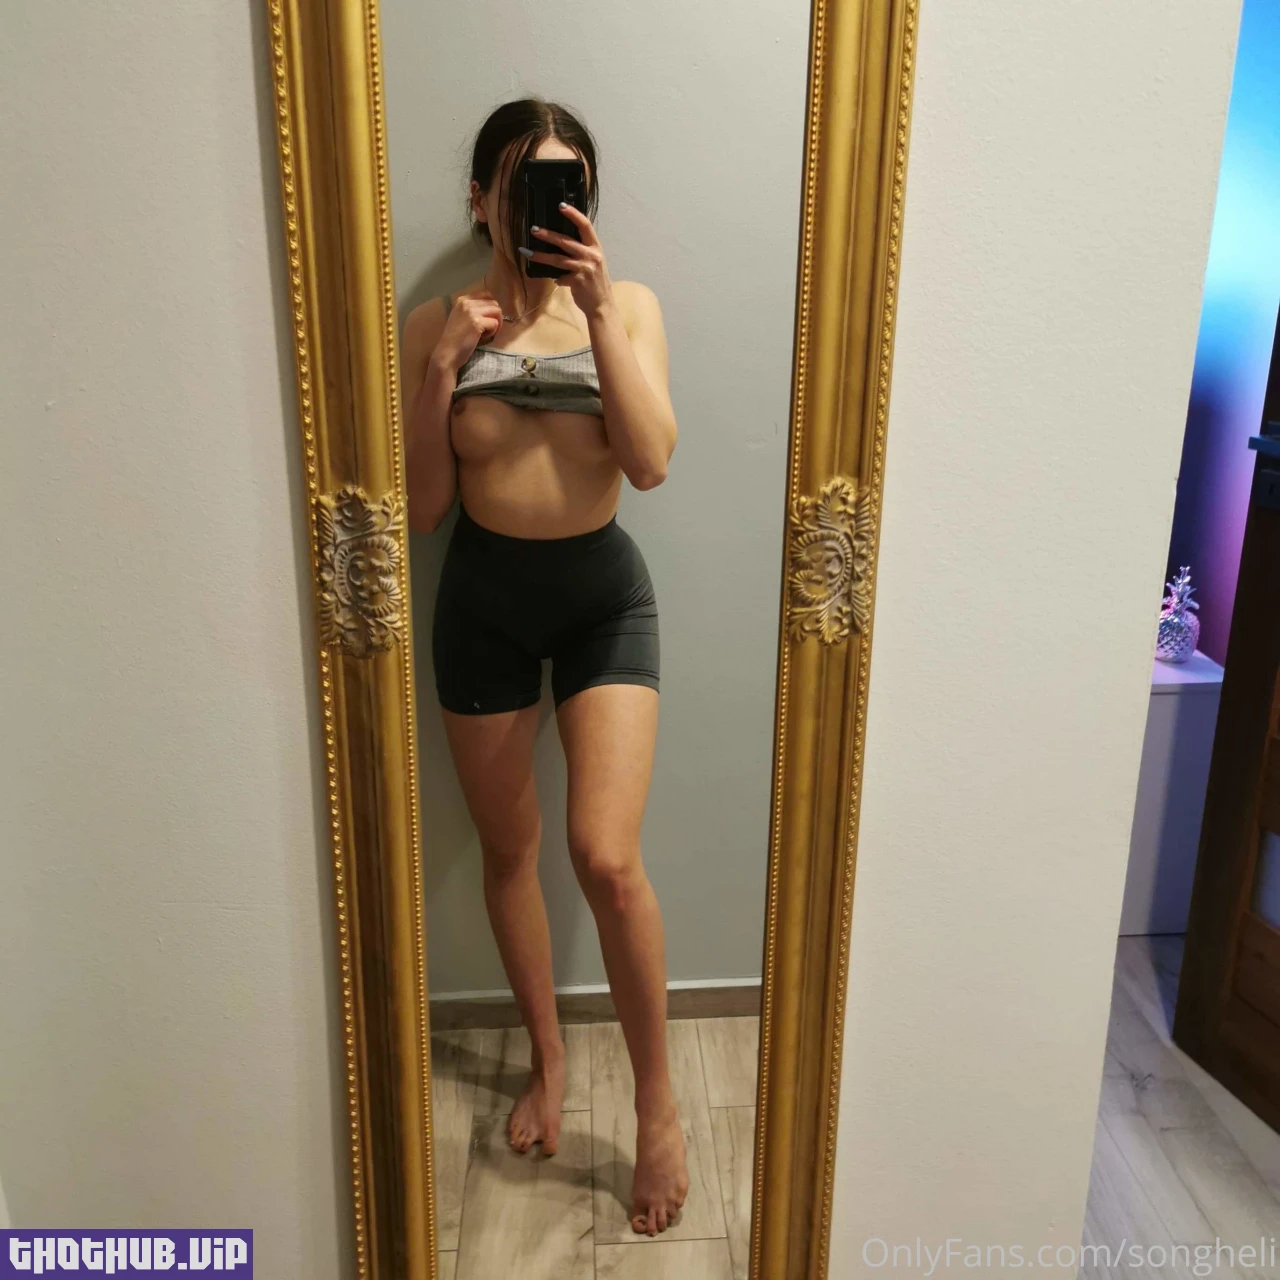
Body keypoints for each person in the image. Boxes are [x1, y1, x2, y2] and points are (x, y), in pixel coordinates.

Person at [400, 98, 685, 1237]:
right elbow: (426, 508)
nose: (546, 206)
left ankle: (657, 1105)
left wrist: (599, 311)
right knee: (511, 849)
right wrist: (443, 369)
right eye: (524, 184)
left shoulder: (630, 305)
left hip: (601, 599)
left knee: (605, 858)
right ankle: (549, 1059)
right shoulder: (434, 321)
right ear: (481, 198)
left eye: (568, 185)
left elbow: (650, 465)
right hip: (483, 606)